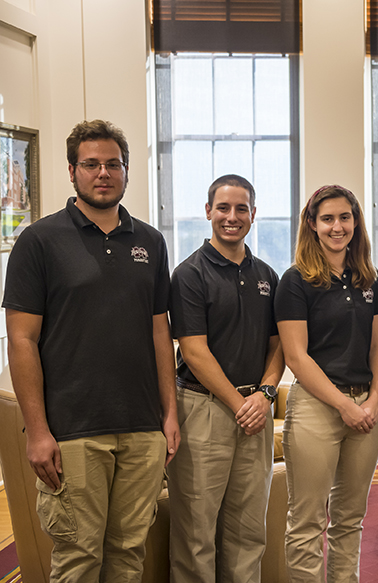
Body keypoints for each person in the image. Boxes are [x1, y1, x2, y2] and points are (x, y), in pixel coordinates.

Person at [3, 119, 180, 581]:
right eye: (91, 164)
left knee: (127, 554)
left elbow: (160, 330)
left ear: (126, 171)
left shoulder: (150, 242)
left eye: (113, 164)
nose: (103, 173)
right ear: (71, 171)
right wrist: (37, 431)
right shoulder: (39, 241)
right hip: (73, 432)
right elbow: (21, 340)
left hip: (142, 429)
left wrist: (170, 413)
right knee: (80, 559)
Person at [167, 174, 284, 582]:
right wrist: (240, 405)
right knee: (196, 532)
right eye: (223, 208)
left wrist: (266, 395)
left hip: (256, 410)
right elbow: (194, 351)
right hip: (205, 410)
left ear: (253, 214)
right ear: (208, 212)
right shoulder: (189, 275)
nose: (231, 217)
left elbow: (278, 346)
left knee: (248, 529)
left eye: (240, 209)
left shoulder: (267, 273)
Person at [276, 185, 378, 582]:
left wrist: (374, 400)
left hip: (365, 409)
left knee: (350, 519)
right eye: (327, 219)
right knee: (307, 522)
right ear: (312, 224)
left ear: (355, 222)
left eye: (344, 218)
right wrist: (344, 406)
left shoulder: (369, 278)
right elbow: (296, 357)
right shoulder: (296, 281)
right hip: (316, 409)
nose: (337, 227)